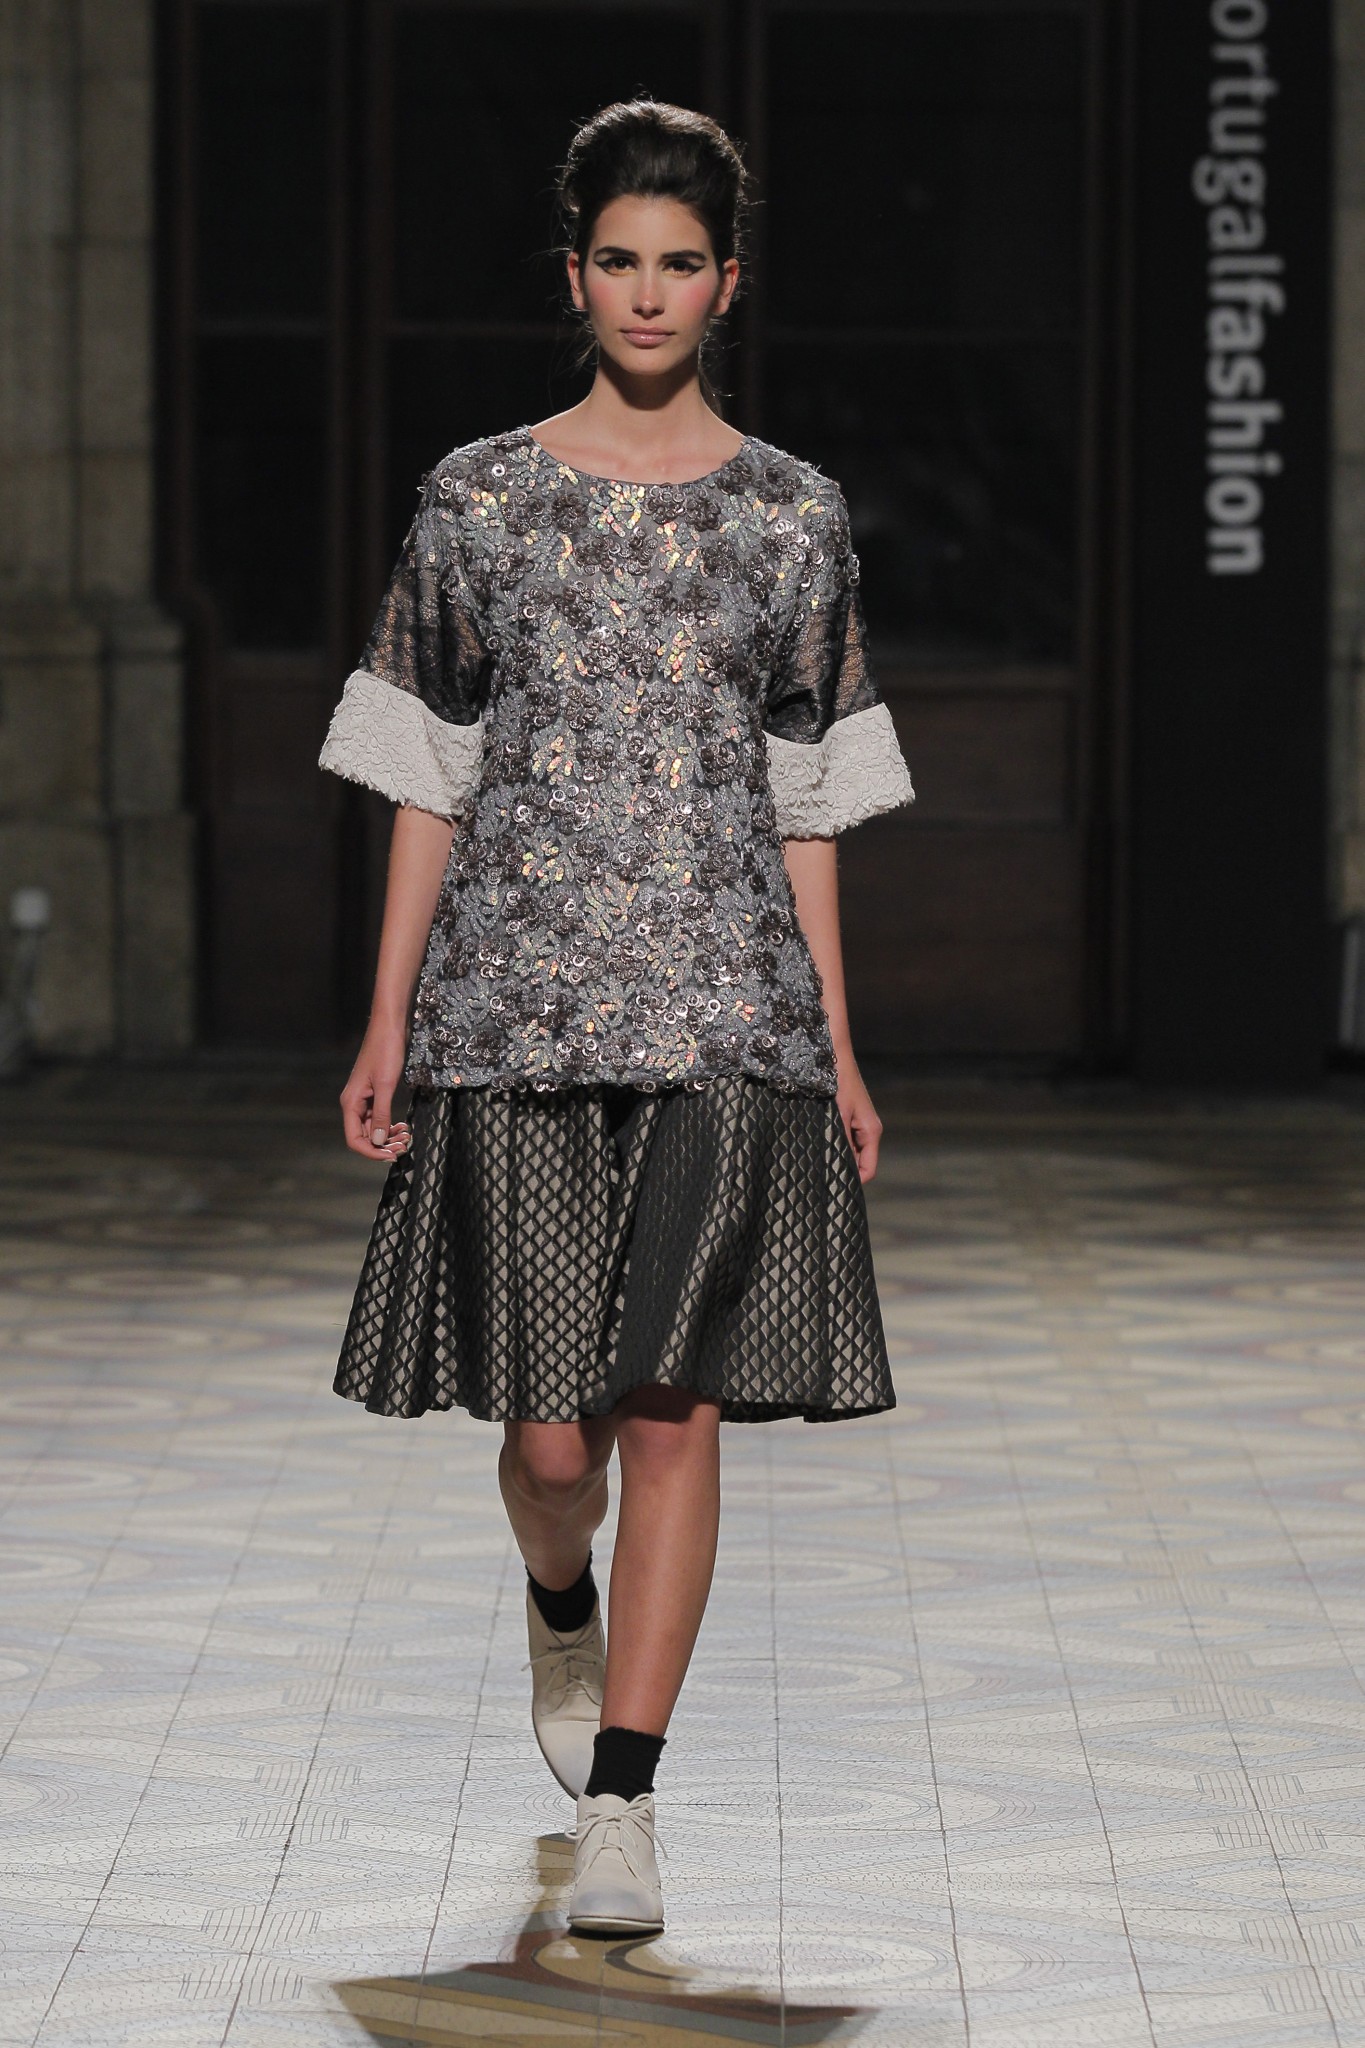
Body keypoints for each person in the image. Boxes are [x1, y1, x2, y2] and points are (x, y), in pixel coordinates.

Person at [318, 98, 914, 1937]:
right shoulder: (478, 498)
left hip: (728, 1010)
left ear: (726, 284)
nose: (648, 293)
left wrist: (837, 1041)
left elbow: (805, 800)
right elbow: (425, 773)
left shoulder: (791, 513)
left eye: (681, 264)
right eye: (618, 261)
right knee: (553, 1442)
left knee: (670, 1414)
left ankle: (630, 1804)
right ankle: (556, 1599)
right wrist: (386, 1019)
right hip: (511, 1006)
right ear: (573, 277)